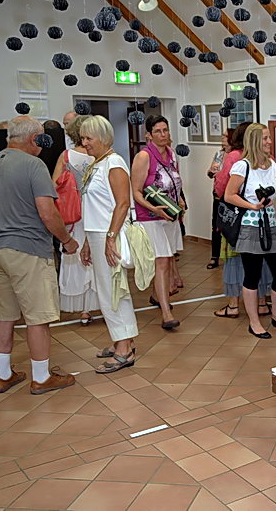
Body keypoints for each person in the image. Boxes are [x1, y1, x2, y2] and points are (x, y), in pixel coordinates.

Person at [0, 115, 78, 394]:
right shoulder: (34, 165)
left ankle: (2, 376)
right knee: (37, 316)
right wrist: (67, 241)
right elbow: (47, 212)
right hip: (28, 249)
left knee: (4, 314)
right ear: (33, 139)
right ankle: (41, 378)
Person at [79, 115, 139, 373]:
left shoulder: (114, 163)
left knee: (114, 291)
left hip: (108, 235)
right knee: (107, 290)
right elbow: (95, 207)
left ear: (103, 138)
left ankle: (124, 349)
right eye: (82, 138)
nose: (84, 143)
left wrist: (110, 238)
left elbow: (123, 203)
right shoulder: (98, 164)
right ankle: (121, 341)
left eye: (88, 138)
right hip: (97, 234)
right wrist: (87, 241)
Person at [224, 123, 276, 338]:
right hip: (250, 226)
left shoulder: (272, 165)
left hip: (271, 224)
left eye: (269, 138)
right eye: (265, 138)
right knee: (252, 275)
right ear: (254, 141)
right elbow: (229, 195)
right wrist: (252, 206)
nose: (269, 141)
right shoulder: (242, 166)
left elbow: (274, 199)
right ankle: (254, 322)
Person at [131, 115, 184, 330]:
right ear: (149, 135)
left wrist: (180, 200)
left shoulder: (171, 154)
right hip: (151, 217)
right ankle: (166, 313)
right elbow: (136, 191)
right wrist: (153, 208)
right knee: (161, 261)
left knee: (167, 258)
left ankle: (156, 295)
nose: (163, 135)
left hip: (169, 214)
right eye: (158, 131)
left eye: (165, 130)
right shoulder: (143, 157)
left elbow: (175, 181)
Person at [51, 114, 97, 325]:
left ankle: (82, 309)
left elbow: (53, 186)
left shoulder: (66, 156)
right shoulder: (99, 156)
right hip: (95, 211)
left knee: (76, 256)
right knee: (96, 255)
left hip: (73, 213)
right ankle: (95, 303)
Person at [206, 128, 233, 269]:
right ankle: (214, 256)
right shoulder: (219, 154)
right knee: (215, 225)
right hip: (217, 194)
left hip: (231, 195)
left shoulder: (236, 155)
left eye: (225, 136)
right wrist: (212, 172)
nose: (222, 138)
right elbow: (210, 172)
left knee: (230, 225)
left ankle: (231, 255)